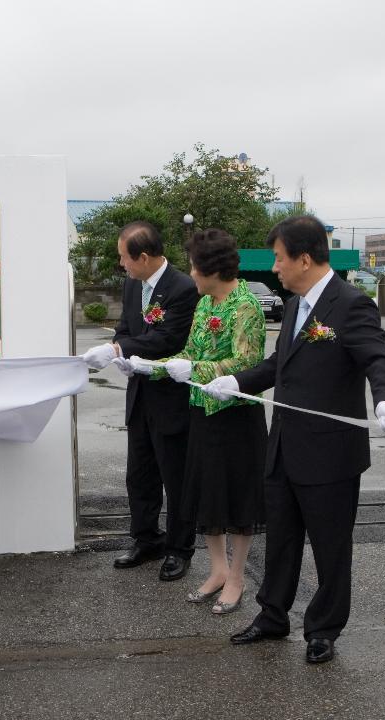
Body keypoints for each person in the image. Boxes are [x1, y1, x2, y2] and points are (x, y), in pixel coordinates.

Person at [202, 215, 385, 664]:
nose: (274, 268)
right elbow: (279, 366)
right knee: (283, 540)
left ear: (305, 258)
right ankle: (273, 615)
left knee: (331, 547)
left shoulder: (351, 304)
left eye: (278, 258)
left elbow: (379, 357)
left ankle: (324, 629)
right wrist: (234, 381)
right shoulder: (294, 305)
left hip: (330, 453)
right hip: (284, 446)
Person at [124, 229, 266, 614]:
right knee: (207, 494)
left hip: (235, 417)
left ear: (210, 269)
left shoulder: (245, 306)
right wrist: (150, 367)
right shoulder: (205, 305)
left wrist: (196, 367)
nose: (190, 273)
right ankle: (217, 570)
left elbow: (247, 363)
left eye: (194, 266)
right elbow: (188, 351)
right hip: (201, 410)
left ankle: (236, 578)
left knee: (237, 500)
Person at [81, 221, 199, 581]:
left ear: (144, 257)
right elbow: (126, 329)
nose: (122, 266)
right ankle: (146, 538)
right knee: (140, 475)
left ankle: (180, 548)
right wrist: (120, 351)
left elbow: (167, 338)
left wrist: (119, 349)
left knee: (174, 476)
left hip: (171, 396)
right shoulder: (133, 285)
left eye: (124, 258)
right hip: (140, 395)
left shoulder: (182, 288)